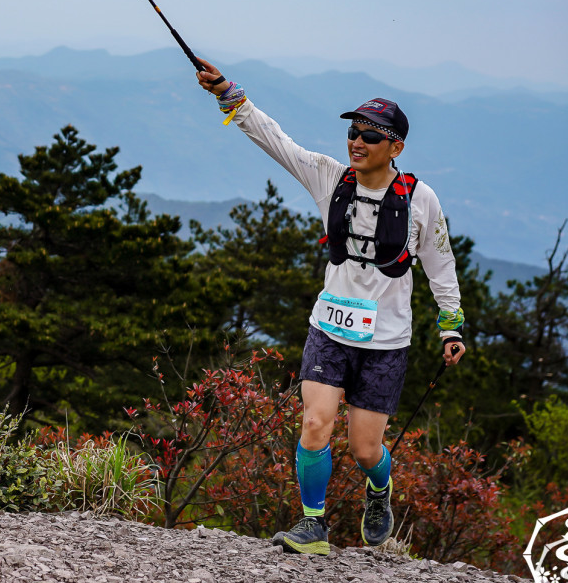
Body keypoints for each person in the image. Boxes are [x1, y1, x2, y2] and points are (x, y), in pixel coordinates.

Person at [194, 58, 466, 555]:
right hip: (329, 328)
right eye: (353, 132)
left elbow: (440, 264)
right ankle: (313, 525)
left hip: (386, 341)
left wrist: (452, 326)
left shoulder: (421, 200)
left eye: (371, 135)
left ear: (396, 147)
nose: (357, 142)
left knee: (365, 449)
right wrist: (228, 94)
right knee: (315, 424)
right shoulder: (330, 178)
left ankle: (379, 488)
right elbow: (277, 142)